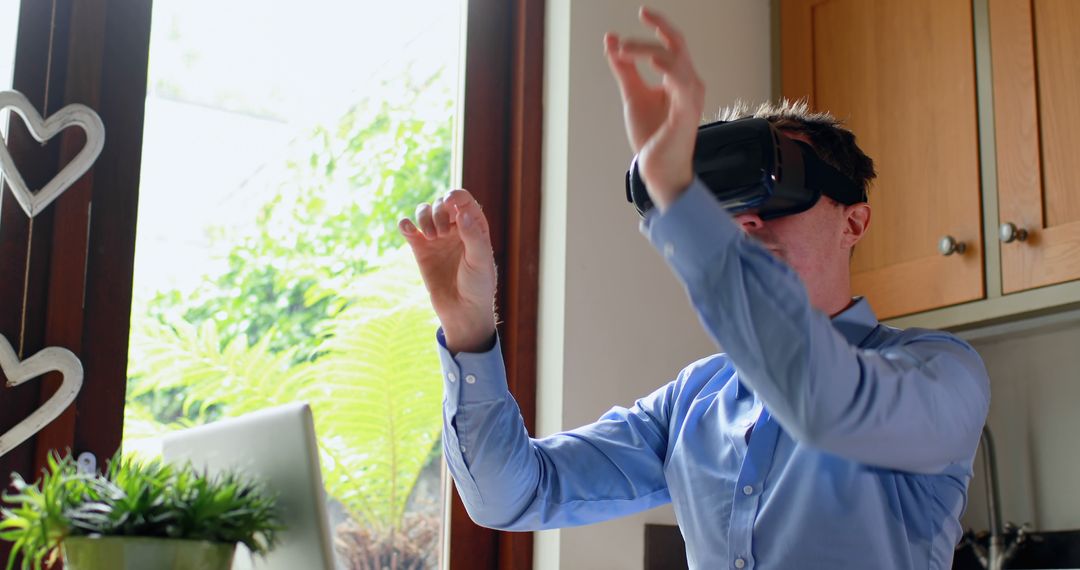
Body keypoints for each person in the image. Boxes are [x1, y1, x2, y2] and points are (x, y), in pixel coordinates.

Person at [398, 7, 989, 569]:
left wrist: (678, 196)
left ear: (853, 220)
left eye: (778, 193)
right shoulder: (693, 402)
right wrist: (469, 325)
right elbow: (512, 496)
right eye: (726, 206)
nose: (749, 221)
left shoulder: (938, 376)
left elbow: (826, 403)